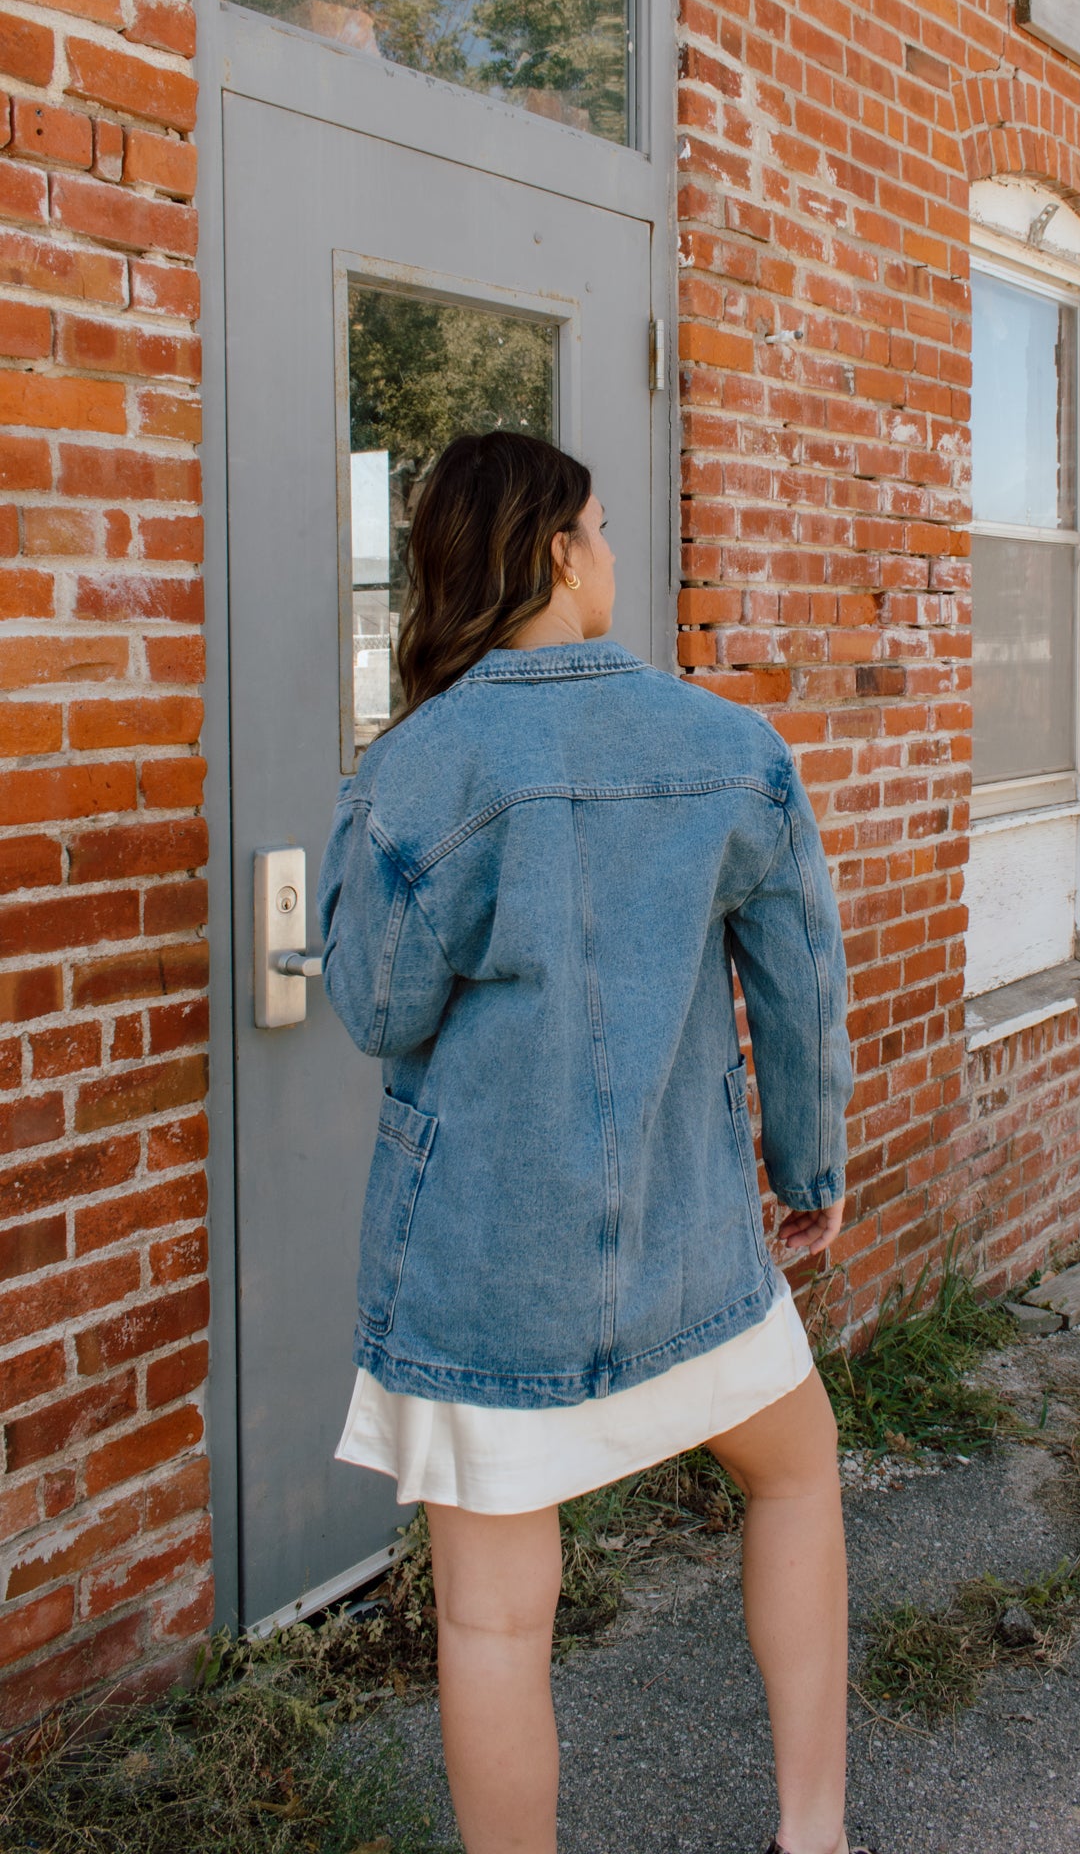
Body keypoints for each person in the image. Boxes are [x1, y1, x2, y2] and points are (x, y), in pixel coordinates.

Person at [319, 430, 869, 1854]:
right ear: (557, 551)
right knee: (795, 1471)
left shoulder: (418, 769)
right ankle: (811, 1835)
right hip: (694, 1251)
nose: (614, 555)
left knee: (495, 1621)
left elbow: (378, 1010)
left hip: (487, 1271)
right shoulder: (729, 747)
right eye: (604, 530)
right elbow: (802, 992)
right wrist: (805, 1180)